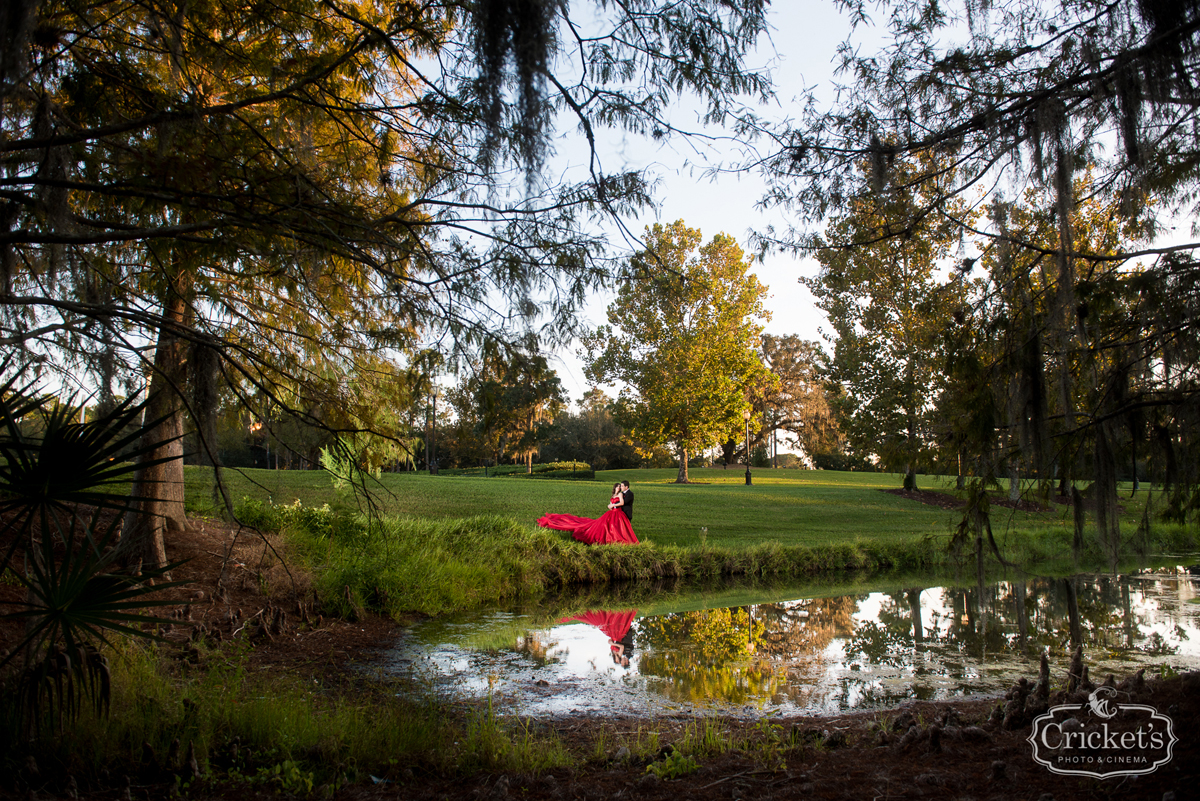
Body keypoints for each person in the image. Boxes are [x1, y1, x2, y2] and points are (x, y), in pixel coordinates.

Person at [537, 483, 638, 544]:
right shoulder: (614, 494)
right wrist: (610, 505)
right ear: (615, 488)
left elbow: (621, 502)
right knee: (604, 524)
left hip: (617, 512)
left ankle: (616, 538)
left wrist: (613, 505)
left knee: (615, 525)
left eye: (620, 487)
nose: (619, 488)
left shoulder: (620, 494)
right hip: (612, 511)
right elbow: (612, 501)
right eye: (617, 487)